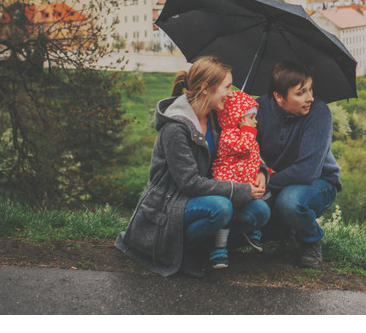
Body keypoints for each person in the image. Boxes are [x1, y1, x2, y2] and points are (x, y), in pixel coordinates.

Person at [115, 56, 270, 278]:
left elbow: (239, 150)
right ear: (206, 88)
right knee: (222, 207)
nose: (230, 93)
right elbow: (189, 183)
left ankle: (206, 246)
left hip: (207, 195)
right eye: (226, 87)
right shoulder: (176, 129)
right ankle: (182, 251)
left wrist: (260, 171)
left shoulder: (216, 118)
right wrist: (240, 190)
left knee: (260, 211)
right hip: (171, 202)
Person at [256, 61, 342, 269]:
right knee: (256, 211)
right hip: (276, 180)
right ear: (279, 97)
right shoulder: (258, 110)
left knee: (290, 202)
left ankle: (311, 241)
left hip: (319, 182)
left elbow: (307, 172)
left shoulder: (319, 114)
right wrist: (258, 170)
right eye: (301, 92)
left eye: (311, 89)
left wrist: (265, 180)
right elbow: (249, 151)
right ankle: (283, 230)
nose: (310, 97)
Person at [209, 89, 273, 268]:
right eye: (251, 117)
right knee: (227, 216)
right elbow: (244, 148)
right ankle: (219, 248)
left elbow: (253, 157)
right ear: (237, 119)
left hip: (245, 182)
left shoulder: (247, 134)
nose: (255, 121)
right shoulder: (228, 135)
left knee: (267, 197)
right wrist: (246, 129)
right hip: (230, 184)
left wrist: (264, 170)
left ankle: (253, 232)